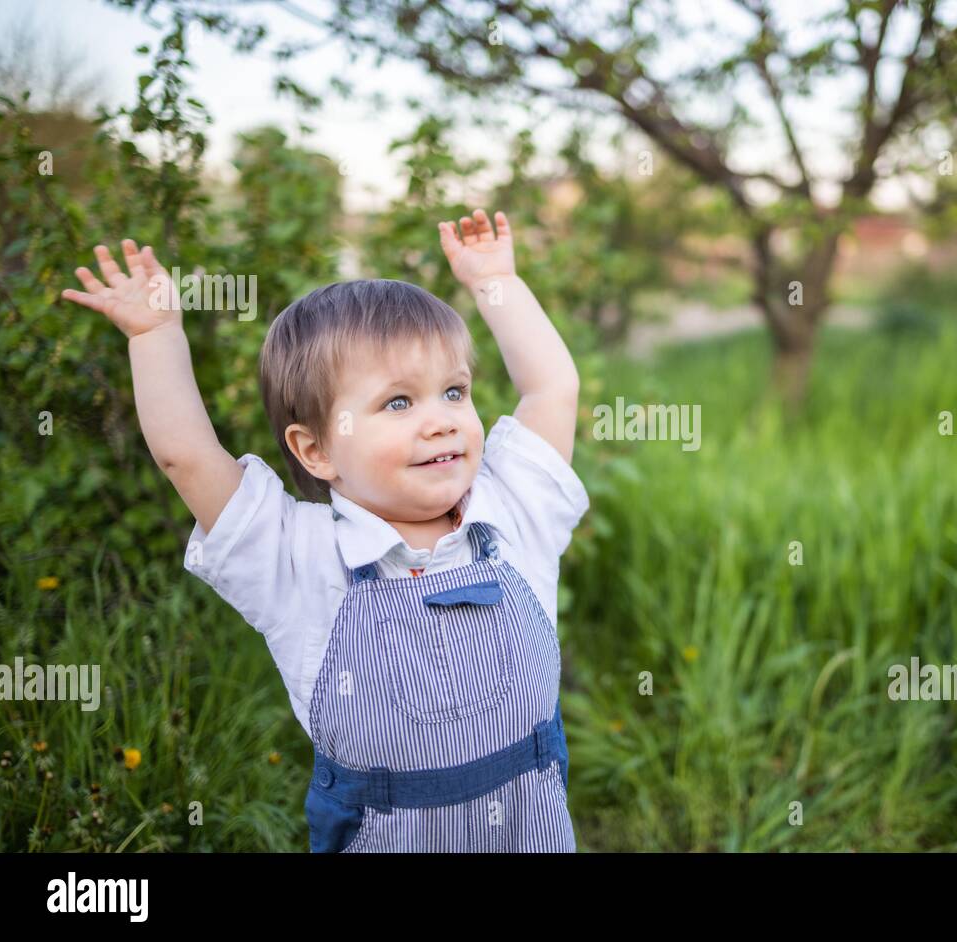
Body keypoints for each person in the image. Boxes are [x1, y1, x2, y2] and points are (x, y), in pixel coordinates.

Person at [61, 209, 588, 852]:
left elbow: (552, 388)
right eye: (398, 402)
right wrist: (154, 336)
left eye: (454, 392)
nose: (443, 420)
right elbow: (188, 456)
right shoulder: (299, 559)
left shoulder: (512, 513)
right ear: (316, 452)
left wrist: (495, 282)